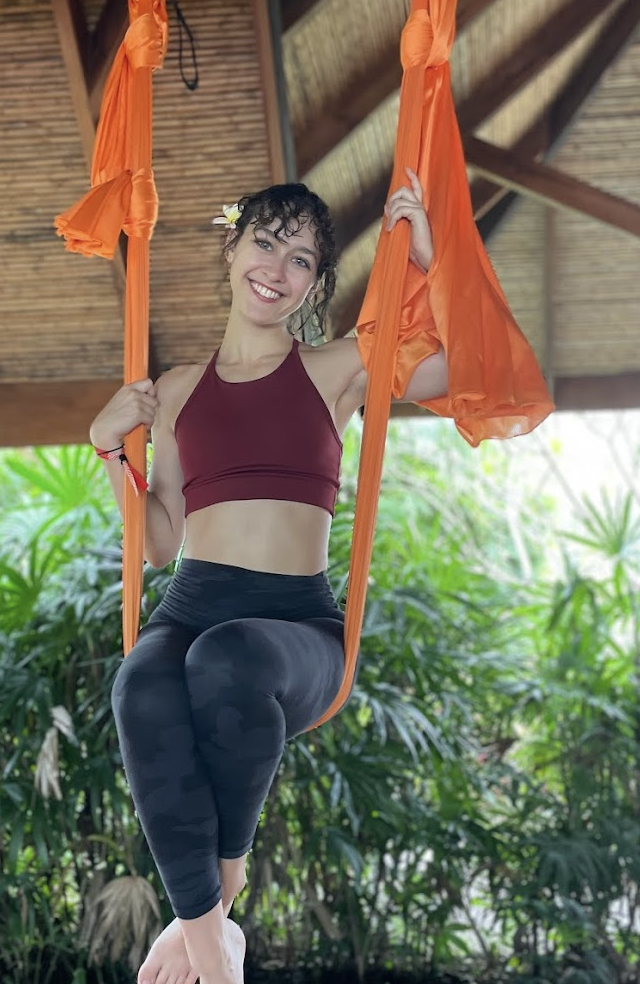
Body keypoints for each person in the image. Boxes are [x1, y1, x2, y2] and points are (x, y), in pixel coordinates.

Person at [89, 169, 445, 984]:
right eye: (265, 243)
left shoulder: (339, 367)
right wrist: (111, 450)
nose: (276, 269)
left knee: (229, 659)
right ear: (232, 248)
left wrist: (428, 259)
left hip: (292, 626)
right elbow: (159, 544)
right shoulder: (176, 392)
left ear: (314, 286)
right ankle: (217, 948)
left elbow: (457, 368)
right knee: (141, 682)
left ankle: (224, 891)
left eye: (300, 261)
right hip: (192, 602)